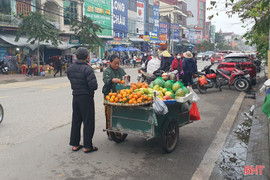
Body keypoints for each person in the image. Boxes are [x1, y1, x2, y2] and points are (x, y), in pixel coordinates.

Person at [67, 47, 98, 153]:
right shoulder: (88, 69)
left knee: (76, 121)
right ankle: (87, 146)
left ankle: (75, 144)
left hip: (75, 97)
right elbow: (93, 86)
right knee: (88, 122)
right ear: (86, 57)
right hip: (86, 98)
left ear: (76, 56)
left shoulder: (70, 68)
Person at [102, 54, 127, 139]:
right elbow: (106, 80)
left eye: (118, 63)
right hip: (109, 94)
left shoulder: (121, 70)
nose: (117, 65)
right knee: (109, 113)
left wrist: (127, 78)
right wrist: (112, 80)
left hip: (119, 95)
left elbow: (125, 79)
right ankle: (110, 132)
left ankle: (119, 131)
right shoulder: (107, 71)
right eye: (115, 63)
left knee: (119, 113)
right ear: (110, 62)